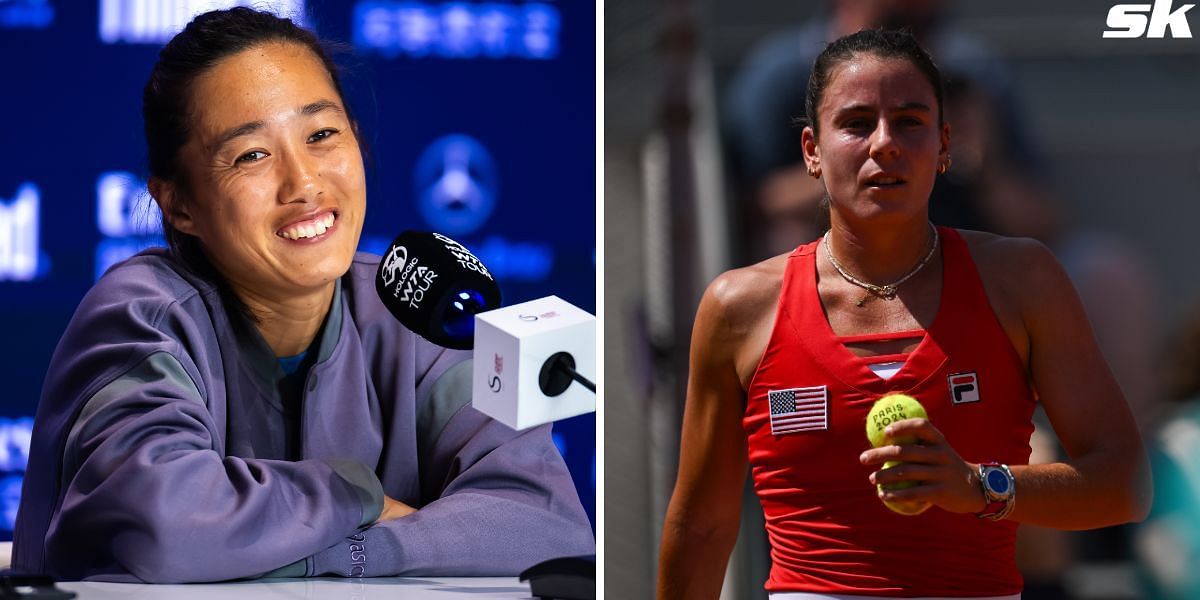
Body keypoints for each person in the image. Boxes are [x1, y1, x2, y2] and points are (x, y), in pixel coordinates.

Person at [12, 7, 593, 583]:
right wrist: (357, 493)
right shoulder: (141, 316)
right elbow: (171, 523)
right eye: (252, 155)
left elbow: (545, 526)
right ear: (179, 203)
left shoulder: (425, 308)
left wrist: (345, 555)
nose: (305, 182)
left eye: (321, 135)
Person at [658, 29, 1150, 599]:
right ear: (811, 151)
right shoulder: (737, 306)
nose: (885, 143)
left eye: (910, 121)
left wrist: (980, 486)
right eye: (857, 123)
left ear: (945, 146)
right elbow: (701, 527)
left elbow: (1120, 484)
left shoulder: (1022, 279)